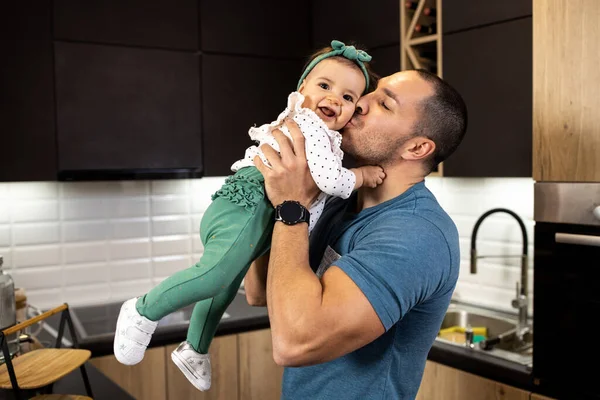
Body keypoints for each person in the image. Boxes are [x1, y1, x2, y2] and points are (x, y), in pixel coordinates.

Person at [112, 40, 386, 392]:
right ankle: (142, 310)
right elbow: (330, 180)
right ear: (300, 91)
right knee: (214, 277)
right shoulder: (310, 126)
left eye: (349, 98)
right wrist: (362, 176)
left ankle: (196, 347)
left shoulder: (322, 135)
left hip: (259, 213)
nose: (335, 99)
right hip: (249, 201)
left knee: (224, 286)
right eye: (324, 86)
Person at [245, 68, 468, 400]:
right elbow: (259, 290)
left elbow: (294, 342)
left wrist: (291, 205)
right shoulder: (338, 202)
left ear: (417, 147)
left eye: (385, 104)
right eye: (373, 92)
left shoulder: (417, 234)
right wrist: (276, 188)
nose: (361, 103)